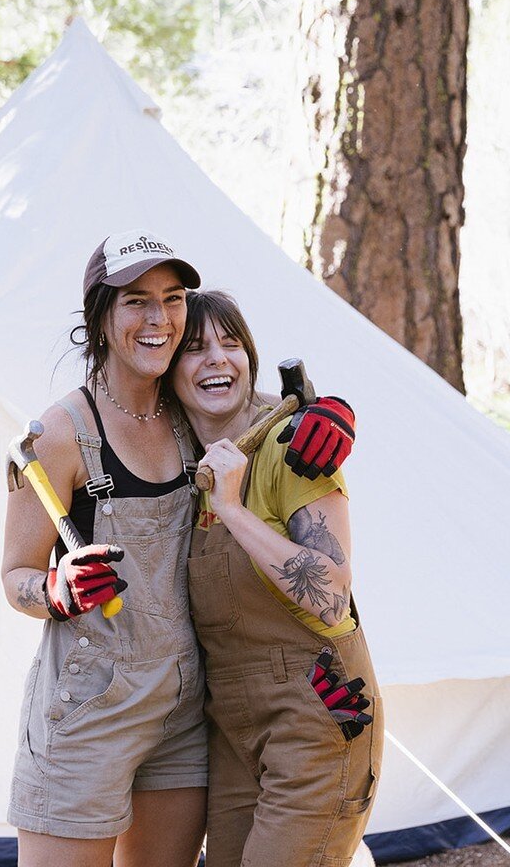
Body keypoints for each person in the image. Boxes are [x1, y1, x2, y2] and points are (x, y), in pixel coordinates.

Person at [1, 234, 358, 867]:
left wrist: (329, 411)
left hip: (186, 716)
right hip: (89, 713)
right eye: (136, 301)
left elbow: (258, 413)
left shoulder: (186, 412)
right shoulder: (58, 435)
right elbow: (15, 575)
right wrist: (54, 591)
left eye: (171, 299)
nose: (158, 318)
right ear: (101, 319)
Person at [173, 290, 381, 867]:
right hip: (232, 730)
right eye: (194, 348)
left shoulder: (293, 445)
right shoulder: (173, 460)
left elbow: (333, 597)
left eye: (230, 343)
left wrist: (234, 510)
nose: (217, 358)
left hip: (317, 716)